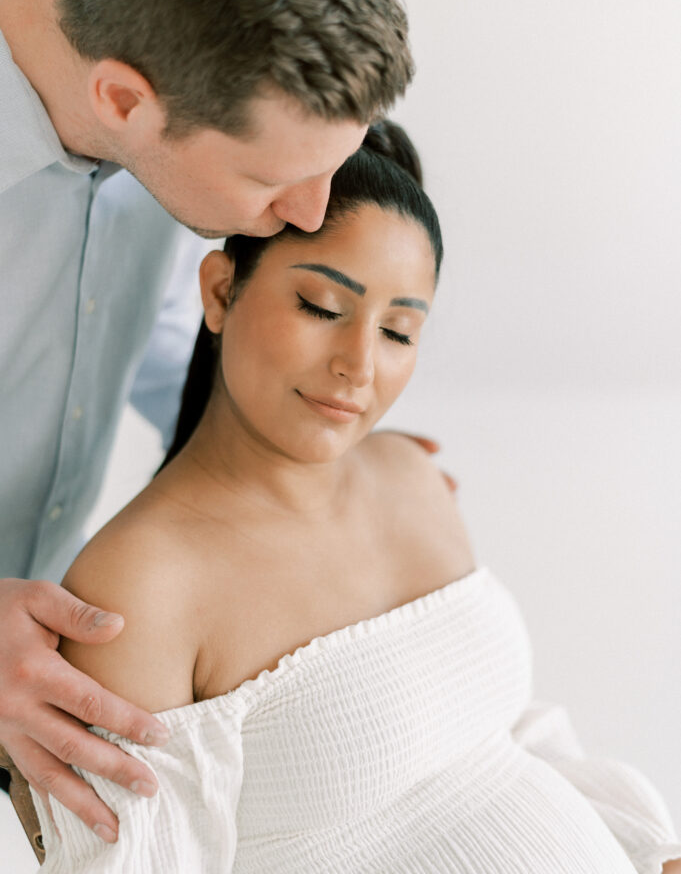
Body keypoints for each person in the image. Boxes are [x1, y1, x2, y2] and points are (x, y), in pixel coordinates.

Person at [30, 123, 681, 871]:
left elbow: (509, 736)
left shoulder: (410, 481)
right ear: (218, 291)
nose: (357, 365)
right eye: (321, 307)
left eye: (399, 331)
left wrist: (645, 848)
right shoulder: (140, 590)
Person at [0, 0, 414, 840]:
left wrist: (308, 446)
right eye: (275, 184)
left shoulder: (165, 65)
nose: (308, 211)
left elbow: (145, 334)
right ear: (122, 100)